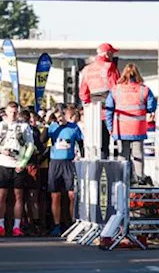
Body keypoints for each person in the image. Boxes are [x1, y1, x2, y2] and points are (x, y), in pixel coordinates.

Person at [105, 64, 158, 183]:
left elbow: (108, 110)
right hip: (137, 128)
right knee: (138, 154)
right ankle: (139, 179)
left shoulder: (115, 90)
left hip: (121, 128)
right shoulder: (144, 89)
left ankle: (122, 179)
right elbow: (151, 107)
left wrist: (110, 127)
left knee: (123, 154)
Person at [0, 102, 35, 237]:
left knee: (18, 196)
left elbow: (30, 145)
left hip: (18, 164)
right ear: (6, 111)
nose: (13, 114)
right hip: (3, 164)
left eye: (15, 112)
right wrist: (1, 150)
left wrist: (23, 162)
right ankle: (1, 225)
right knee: (2, 195)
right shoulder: (0, 126)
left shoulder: (24, 126)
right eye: (10, 112)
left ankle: (17, 226)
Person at [46, 106, 84, 236]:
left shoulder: (74, 127)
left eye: (61, 115)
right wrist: (48, 125)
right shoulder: (52, 127)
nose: (59, 118)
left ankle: (72, 223)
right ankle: (57, 225)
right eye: (57, 116)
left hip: (68, 163)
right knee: (55, 196)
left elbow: (81, 144)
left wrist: (81, 158)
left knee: (72, 195)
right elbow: (42, 140)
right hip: (55, 163)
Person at [79, 43, 120, 157]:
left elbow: (83, 93)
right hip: (109, 112)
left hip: (93, 114)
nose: (113, 55)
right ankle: (111, 172)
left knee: (95, 145)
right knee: (113, 146)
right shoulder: (109, 67)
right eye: (112, 53)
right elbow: (116, 88)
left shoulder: (87, 69)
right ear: (107, 54)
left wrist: (89, 105)